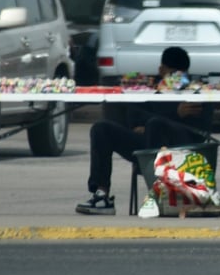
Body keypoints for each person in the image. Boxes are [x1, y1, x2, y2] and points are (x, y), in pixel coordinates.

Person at [75, 46, 212, 215]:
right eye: (171, 73)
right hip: (146, 148)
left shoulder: (196, 92)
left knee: (156, 124)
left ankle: (158, 196)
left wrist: (167, 119)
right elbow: (135, 115)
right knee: (101, 129)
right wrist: (175, 114)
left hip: (181, 151)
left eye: (179, 73)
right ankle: (101, 194)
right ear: (161, 70)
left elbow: (201, 129)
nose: (175, 78)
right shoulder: (151, 89)